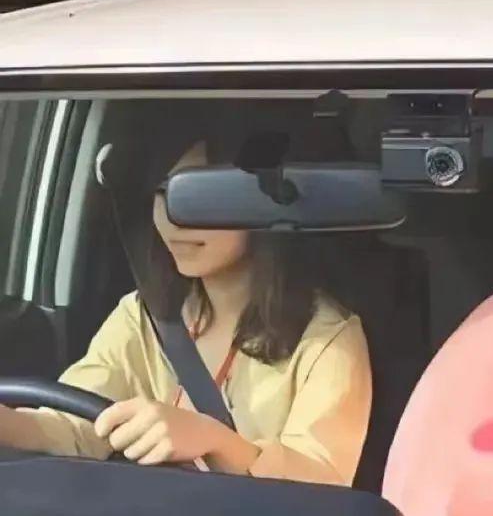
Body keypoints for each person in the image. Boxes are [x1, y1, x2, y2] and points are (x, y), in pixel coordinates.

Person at [0, 134, 373, 486]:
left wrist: (215, 441)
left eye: (199, 195)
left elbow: (322, 487)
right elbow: (74, 425)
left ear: (263, 202)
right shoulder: (144, 317)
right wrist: (9, 424)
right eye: (162, 192)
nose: (174, 216)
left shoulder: (327, 339)